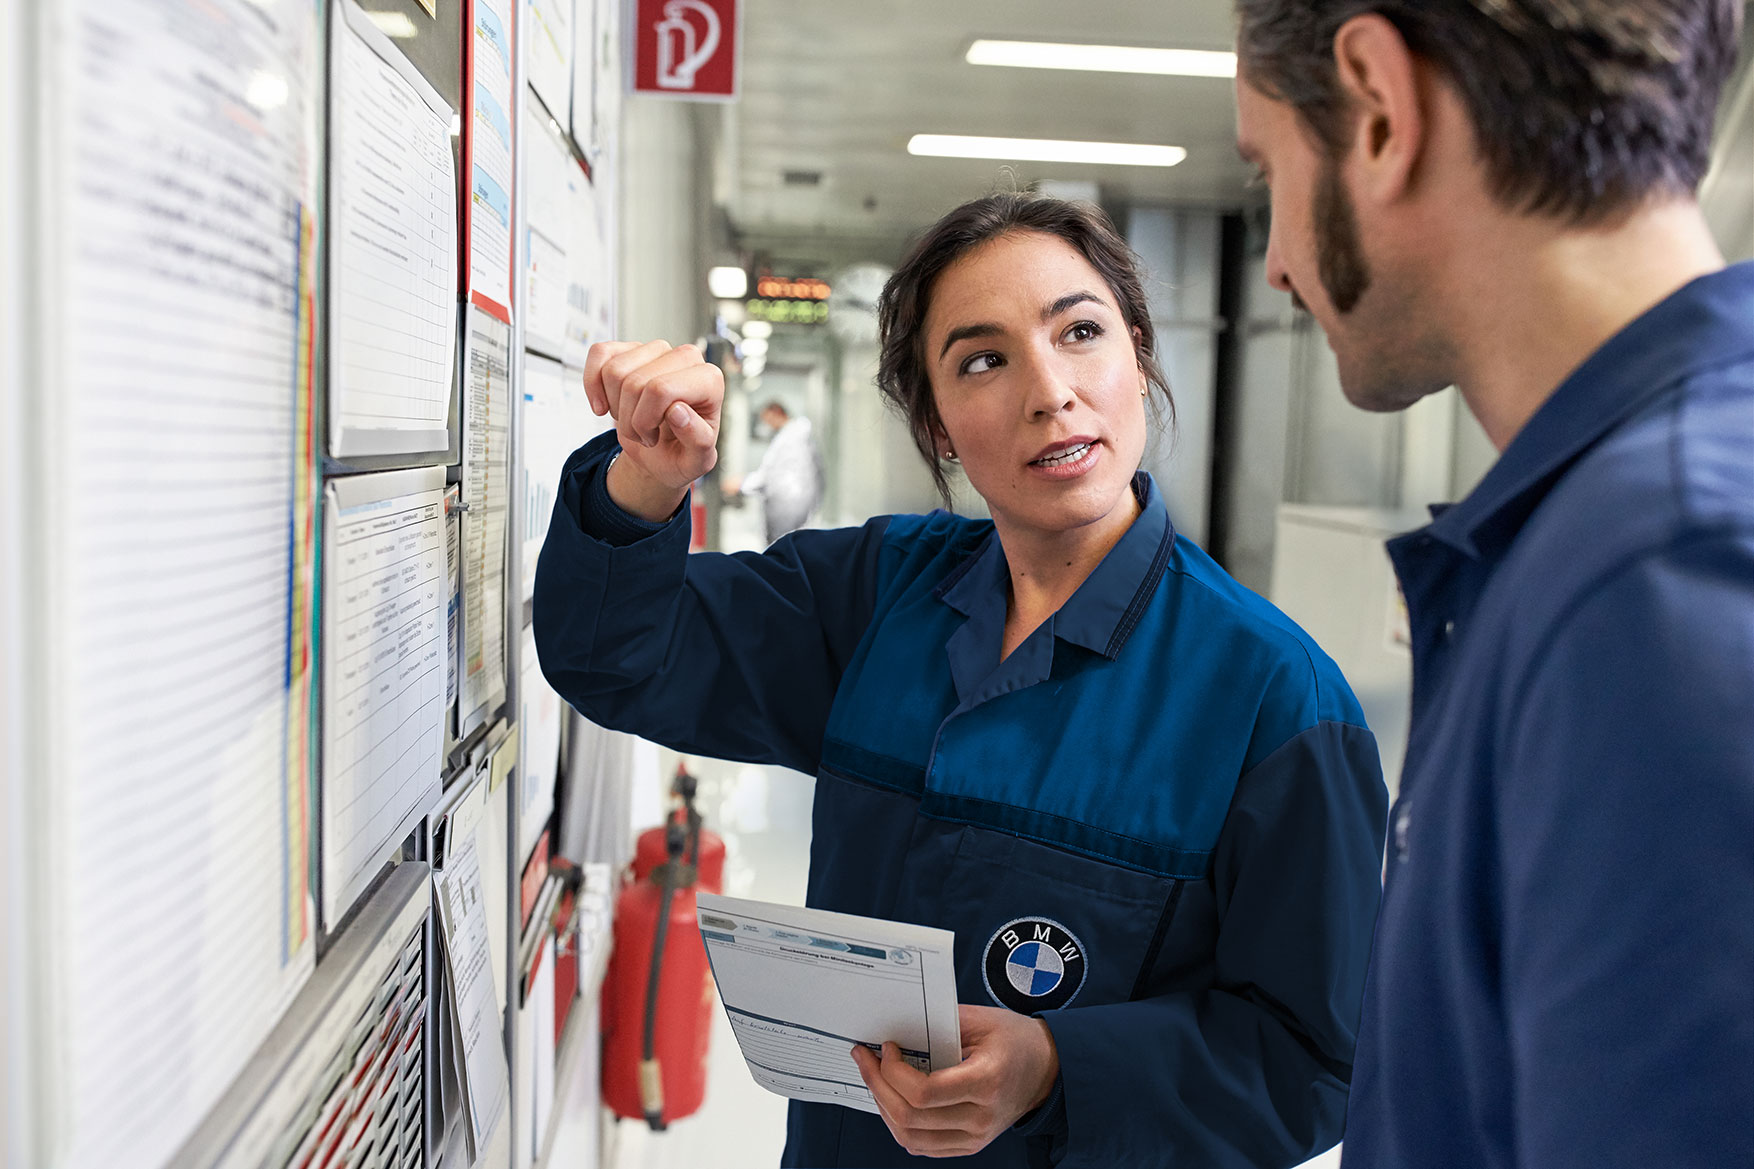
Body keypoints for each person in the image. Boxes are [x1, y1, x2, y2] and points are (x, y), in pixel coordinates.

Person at [534, 194, 1388, 1167]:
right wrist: (644, 477)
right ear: (936, 426)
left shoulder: (1271, 701)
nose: (1048, 390)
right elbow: (618, 655)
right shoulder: (871, 599)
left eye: (1078, 332)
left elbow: (1322, 1060)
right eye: (982, 359)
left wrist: (1058, 1064)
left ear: (1137, 357)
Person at [1231, 2, 1754, 1166]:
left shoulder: (1661, 578)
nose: (1270, 257)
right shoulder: (1604, 529)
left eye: (1267, 168)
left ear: (1375, 108)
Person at [730, 399, 825, 544]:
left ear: (777, 412)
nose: (766, 424)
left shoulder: (792, 439)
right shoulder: (792, 436)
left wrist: (742, 484)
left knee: (784, 552)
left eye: (767, 419)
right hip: (792, 511)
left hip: (789, 511)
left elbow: (773, 476)